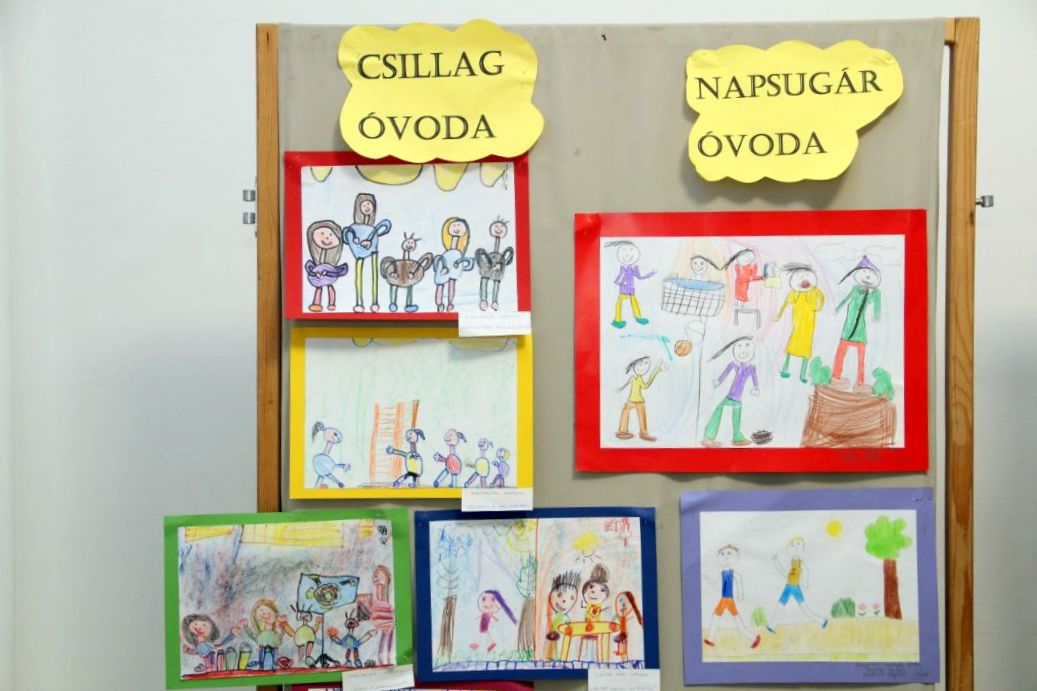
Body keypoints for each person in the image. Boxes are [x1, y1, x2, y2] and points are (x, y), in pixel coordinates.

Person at [832, 255, 882, 393]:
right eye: (864, 272)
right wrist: (836, 309)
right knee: (841, 353)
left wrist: (876, 315)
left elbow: (877, 308)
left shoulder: (873, 293)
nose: (867, 276)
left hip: (860, 330)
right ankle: (836, 377)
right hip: (848, 328)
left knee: (861, 357)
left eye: (870, 273)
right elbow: (845, 300)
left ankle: (860, 383)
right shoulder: (855, 289)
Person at [702, 337, 759, 448]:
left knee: (736, 415)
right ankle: (708, 437)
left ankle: (737, 438)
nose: (743, 351)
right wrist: (718, 381)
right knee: (719, 409)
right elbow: (725, 373)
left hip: (738, 398)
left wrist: (756, 388)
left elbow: (754, 378)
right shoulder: (734, 364)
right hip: (730, 395)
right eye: (739, 346)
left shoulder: (751, 367)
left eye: (747, 346)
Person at [774, 263, 825, 383]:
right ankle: (785, 369)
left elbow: (822, 298)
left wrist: (819, 307)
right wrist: (779, 315)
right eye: (801, 277)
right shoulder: (794, 293)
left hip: (809, 326)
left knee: (806, 350)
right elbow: (785, 304)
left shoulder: (815, 291)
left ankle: (802, 374)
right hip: (797, 325)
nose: (804, 280)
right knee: (791, 347)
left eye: (806, 276)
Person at [703, 545, 761, 649]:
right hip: (724, 599)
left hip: (728, 599)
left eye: (729, 554)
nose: (725, 557)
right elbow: (715, 583)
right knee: (717, 616)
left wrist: (740, 595)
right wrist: (707, 578)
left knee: (735, 621)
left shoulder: (731, 572)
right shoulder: (723, 572)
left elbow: (739, 579)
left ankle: (753, 638)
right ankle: (710, 639)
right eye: (722, 554)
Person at [767, 537, 828, 633]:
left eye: (798, 546)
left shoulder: (799, 563)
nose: (795, 548)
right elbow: (786, 573)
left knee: (786, 606)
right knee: (785, 606)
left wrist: (805, 583)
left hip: (793, 587)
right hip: (790, 587)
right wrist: (777, 563)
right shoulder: (792, 562)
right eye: (793, 546)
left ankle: (822, 621)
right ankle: (822, 621)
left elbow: (803, 571)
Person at [344, 193, 393, 313]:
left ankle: (374, 302)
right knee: (359, 273)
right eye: (364, 205)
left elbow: (379, 233)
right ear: (358, 207)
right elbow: (348, 237)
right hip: (359, 253)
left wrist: (369, 243)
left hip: (373, 251)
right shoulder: (354, 228)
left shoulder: (373, 229)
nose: (367, 207)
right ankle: (359, 302)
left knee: (374, 273)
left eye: (369, 205)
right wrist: (358, 243)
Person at [616, 356, 668, 442]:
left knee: (642, 415)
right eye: (640, 364)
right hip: (631, 400)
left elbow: (646, 386)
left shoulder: (640, 379)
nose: (643, 367)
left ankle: (643, 433)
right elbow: (625, 385)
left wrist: (656, 371)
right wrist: (620, 389)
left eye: (646, 364)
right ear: (633, 365)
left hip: (640, 401)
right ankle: (622, 431)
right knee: (625, 410)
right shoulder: (632, 378)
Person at [607, 240, 655, 328]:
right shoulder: (623, 268)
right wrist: (621, 282)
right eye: (624, 250)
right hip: (623, 290)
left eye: (631, 250)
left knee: (634, 302)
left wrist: (651, 273)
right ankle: (617, 320)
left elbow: (640, 276)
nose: (627, 254)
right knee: (619, 303)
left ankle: (638, 317)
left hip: (631, 290)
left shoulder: (633, 268)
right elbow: (617, 280)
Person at [545, 570, 580, 661]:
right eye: (559, 595)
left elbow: (568, 628)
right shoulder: (552, 616)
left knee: (559, 648)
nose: (564, 601)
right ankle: (551, 657)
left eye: (571, 598)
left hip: (561, 639)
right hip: (553, 637)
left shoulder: (565, 618)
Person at [612, 591, 644, 662]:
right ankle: (624, 660)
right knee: (619, 641)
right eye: (620, 600)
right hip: (624, 639)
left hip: (635, 653)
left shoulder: (633, 618)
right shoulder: (621, 618)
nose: (623, 604)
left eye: (626, 601)